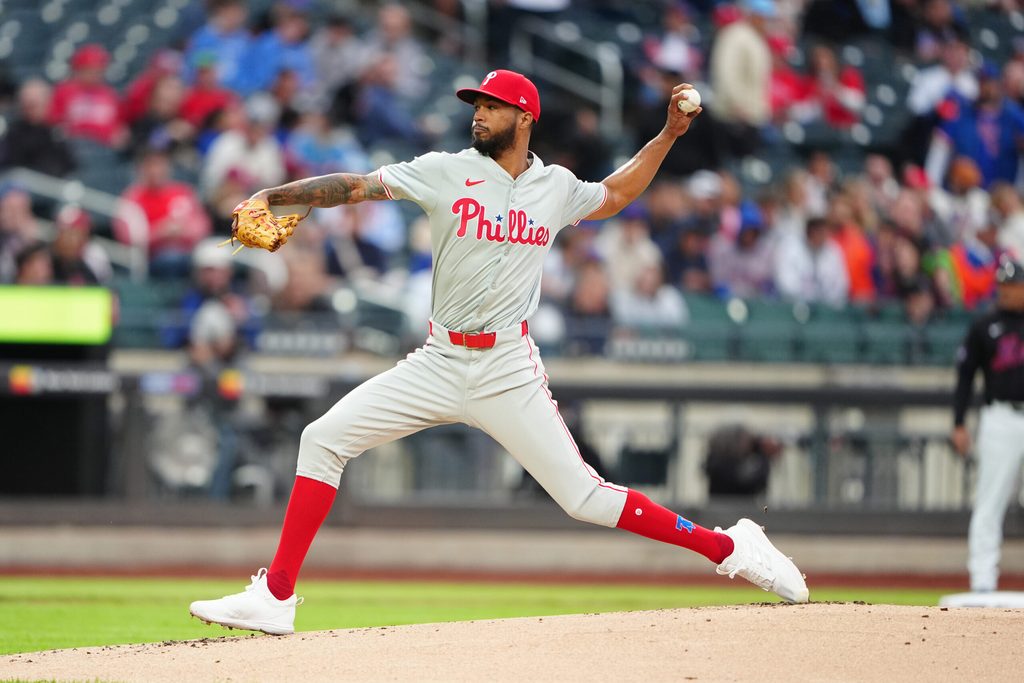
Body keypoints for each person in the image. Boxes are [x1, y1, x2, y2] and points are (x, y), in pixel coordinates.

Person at [189, 69, 808, 636]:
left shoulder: (555, 188)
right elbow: (355, 187)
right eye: (476, 104)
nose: (479, 114)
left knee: (585, 498)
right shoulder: (444, 169)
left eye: (492, 105)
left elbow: (617, 194)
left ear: (524, 118)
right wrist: (282, 193)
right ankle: (276, 594)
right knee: (321, 439)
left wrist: (670, 133)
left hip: (507, 367)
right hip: (437, 360)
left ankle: (732, 548)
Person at [951, 257, 1024, 593]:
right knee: (990, 500)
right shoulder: (985, 325)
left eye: (1013, 286)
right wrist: (959, 422)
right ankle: (982, 581)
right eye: (1003, 285)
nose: (1007, 292)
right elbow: (965, 377)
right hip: (1000, 418)